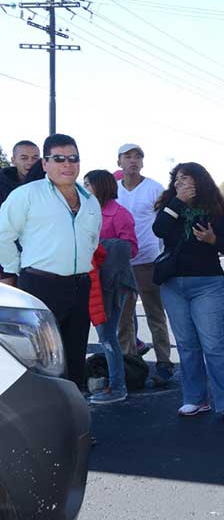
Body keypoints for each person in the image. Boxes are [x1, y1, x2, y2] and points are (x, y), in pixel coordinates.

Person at [0, 133, 101, 390]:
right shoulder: (26, 195)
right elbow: (3, 234)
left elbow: (92, 241)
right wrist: (14, 269)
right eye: (59, 159)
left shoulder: (90, 201)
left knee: (75, 358)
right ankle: (42, 415)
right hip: (40, 285)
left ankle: (75, 412)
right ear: (45, 164)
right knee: (41, 361)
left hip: (80, 287)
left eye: (73, 158)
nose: (67, 164)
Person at [153, 162, 224, 424]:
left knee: (213, 343)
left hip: (207, 282)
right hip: (173, 283)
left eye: (185, 179)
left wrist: (212, 240)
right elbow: (159, 230)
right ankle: (195, 398)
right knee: (186, 344)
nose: (179, 183)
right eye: (176, 179)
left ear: (199, 181)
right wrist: (177, 202)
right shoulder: (170, 205)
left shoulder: (215, 209)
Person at [115, 143, 174, 382]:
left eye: (138, 157)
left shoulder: (154, 188)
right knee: (123, 319)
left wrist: (164, 253)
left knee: (155, 315)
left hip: (148, 260)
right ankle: (130, 365)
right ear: (119, 162)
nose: (133, 160)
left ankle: (164, 363)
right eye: (128, 156)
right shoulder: (113, 190)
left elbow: (165, 223)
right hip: (121, 263)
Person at [83, 170, 139, 404]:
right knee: (103, 335)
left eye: (88, 184)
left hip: (114, 284)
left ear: (101, 186)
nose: (84, 189)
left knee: (108, 335)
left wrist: (97, 248)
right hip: (90, 280)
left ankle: (118, 386)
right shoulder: (84, 211)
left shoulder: (120, 214)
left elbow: (130, 248)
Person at [0, 140, 41, 285]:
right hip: (5, 251)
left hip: (37, 256)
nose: (30, 162)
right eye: (24, 158)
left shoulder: (47, 184)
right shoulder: (2, 184)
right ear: (13, 160)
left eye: (35, 158)